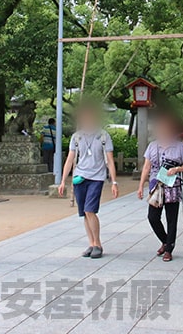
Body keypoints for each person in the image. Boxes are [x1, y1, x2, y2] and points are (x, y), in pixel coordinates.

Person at [58, 102, 119, 259]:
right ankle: (91, 243)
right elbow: (70, 159)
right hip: (80, 177)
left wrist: (114, 182)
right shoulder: (76, 137)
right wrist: (63, 181)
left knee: (90, 210)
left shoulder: (104, 136)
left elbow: (110, 161)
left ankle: (98, 244)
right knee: (84, 213)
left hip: (97, 178)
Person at [137, 112, 183, 262]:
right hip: (156, 185)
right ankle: (165, 240)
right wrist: (141, 185)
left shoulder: (179, 147)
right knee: (153, 217)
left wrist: (177, 169)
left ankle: (169, 249)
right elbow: (146, 166)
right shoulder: (152, 146)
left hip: (172, 185)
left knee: (171, 219)